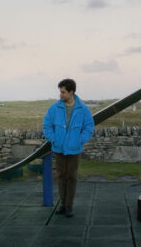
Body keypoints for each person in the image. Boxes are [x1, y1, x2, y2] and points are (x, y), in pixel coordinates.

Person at [43, 79, 94, 217]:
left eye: (63, 92)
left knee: (71, 177)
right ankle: (63, 204)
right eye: (60, 91)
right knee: (61, 176)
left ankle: (69, 206)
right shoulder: (54, 108)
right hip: (58, 149)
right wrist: (54, 139)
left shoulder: (83, 109)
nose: (61, 94)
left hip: (74, 150)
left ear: (71, 92)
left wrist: (79, 141)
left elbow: (89, 127)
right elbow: (47, 126)